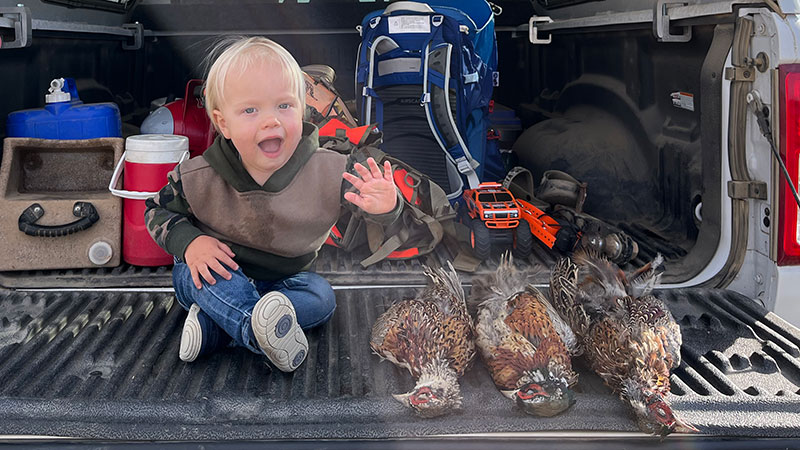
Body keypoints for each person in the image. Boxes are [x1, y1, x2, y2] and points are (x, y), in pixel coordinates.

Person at [144, 36, 400, 372]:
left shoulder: (331, 168)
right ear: (224, 124)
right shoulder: (197, 175)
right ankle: (255, 331)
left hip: (287, 281)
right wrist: (191, 243)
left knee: (321, 298)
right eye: (250, 110)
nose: (271, 121)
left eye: (284, 106)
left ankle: (216, 330)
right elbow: (156, 210)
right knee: (197, 278)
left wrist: (384, 206)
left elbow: (365, 207)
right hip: (218, 271)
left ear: (302, 109)